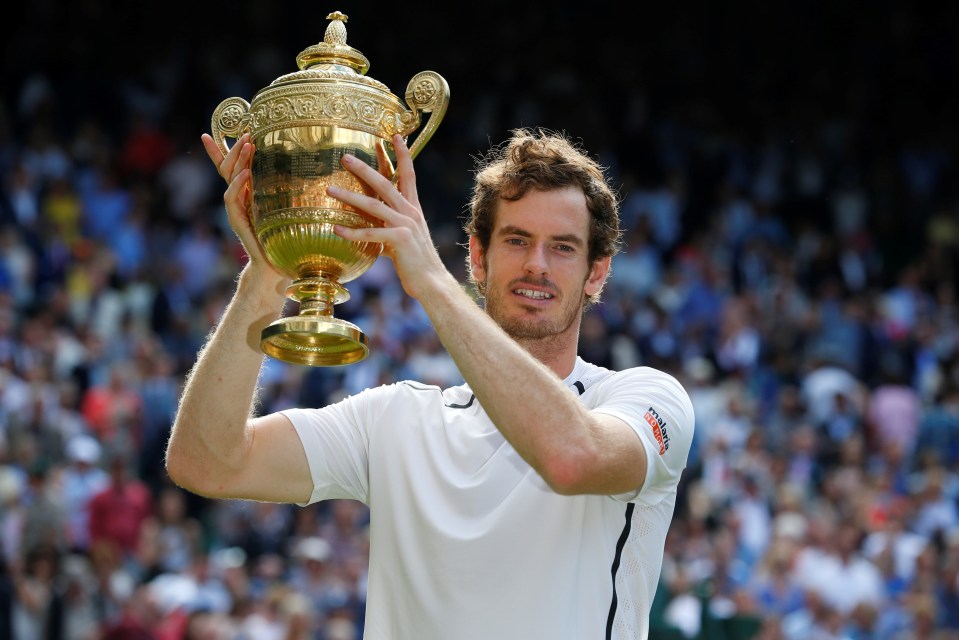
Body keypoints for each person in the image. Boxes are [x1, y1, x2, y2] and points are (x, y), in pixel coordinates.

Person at [165, 126, 695, 639]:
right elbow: (206, 462)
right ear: (479, 258)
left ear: (596, 273)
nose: (537, 265)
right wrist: (267, 271)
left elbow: (571, 457)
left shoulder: (646, 398)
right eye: (517, 240)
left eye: (562, 247)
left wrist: (431, 281)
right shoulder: (396, 418)